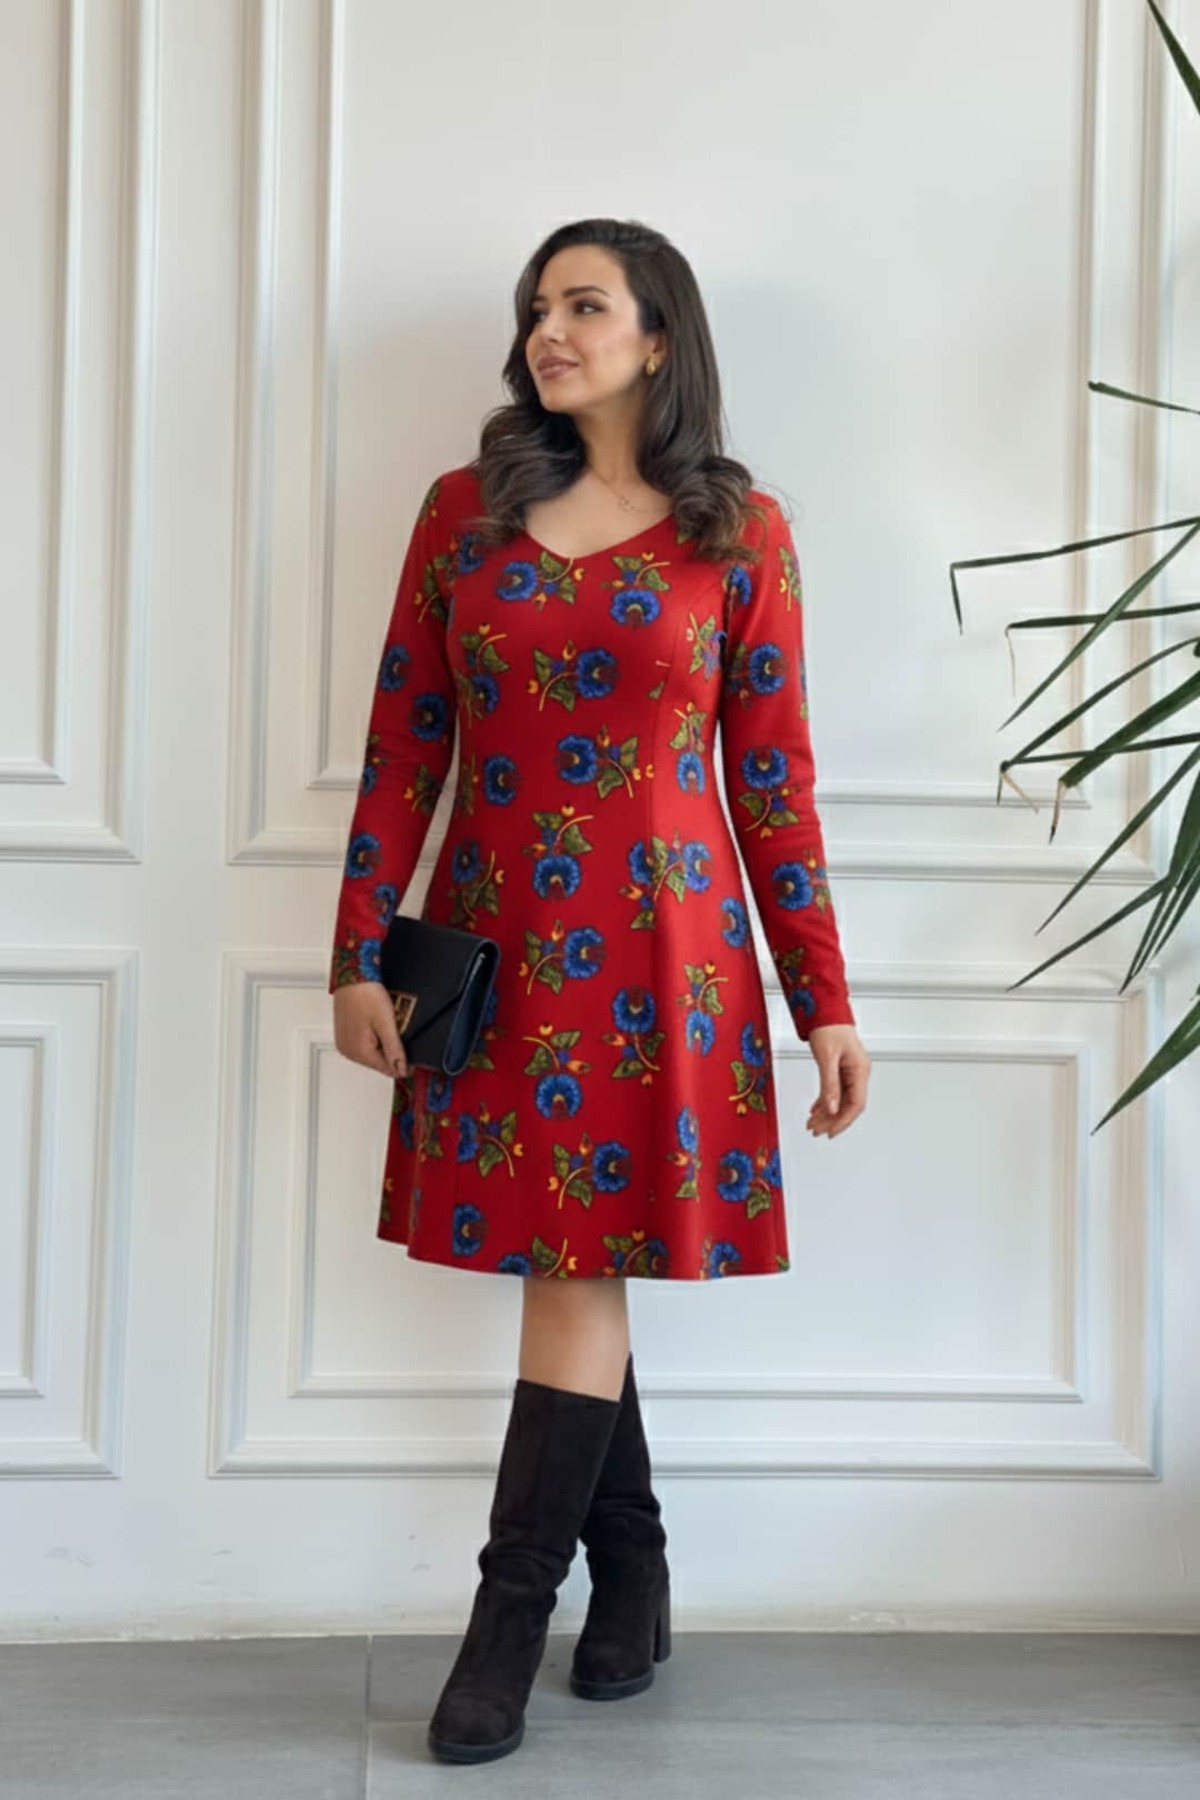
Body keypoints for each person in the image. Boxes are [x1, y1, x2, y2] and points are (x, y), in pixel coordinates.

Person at [329, 217, 871, 1764]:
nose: (547, 332)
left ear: (658, 337)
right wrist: (357, 948)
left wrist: (824, 999)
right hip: (496, 948)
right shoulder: (466, 514)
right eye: (535, 309)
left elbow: (773, 781)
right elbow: (404, 744)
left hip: (664, 960)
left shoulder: (739, 534)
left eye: (583, 305)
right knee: (574, 1263)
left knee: (579, 1266)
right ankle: (625, 1572)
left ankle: (513, 1620)